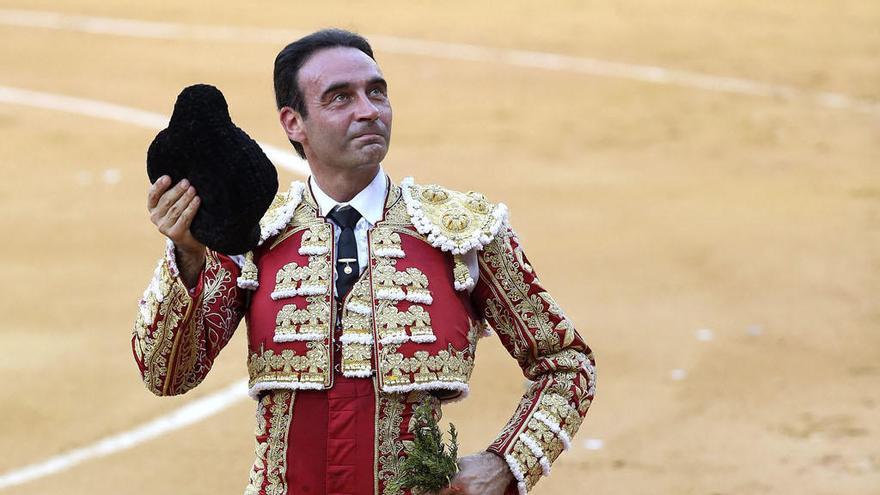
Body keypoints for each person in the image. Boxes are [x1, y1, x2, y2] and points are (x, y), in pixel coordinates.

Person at [132, 29, 596, 495]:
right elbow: (167, 375)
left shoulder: (460, 231)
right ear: (294, 123)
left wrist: (506, 462)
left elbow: (566, 362)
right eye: (340, 97)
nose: (369, 110)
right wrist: (188, 256)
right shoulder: (253, 236)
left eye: (377, 92)